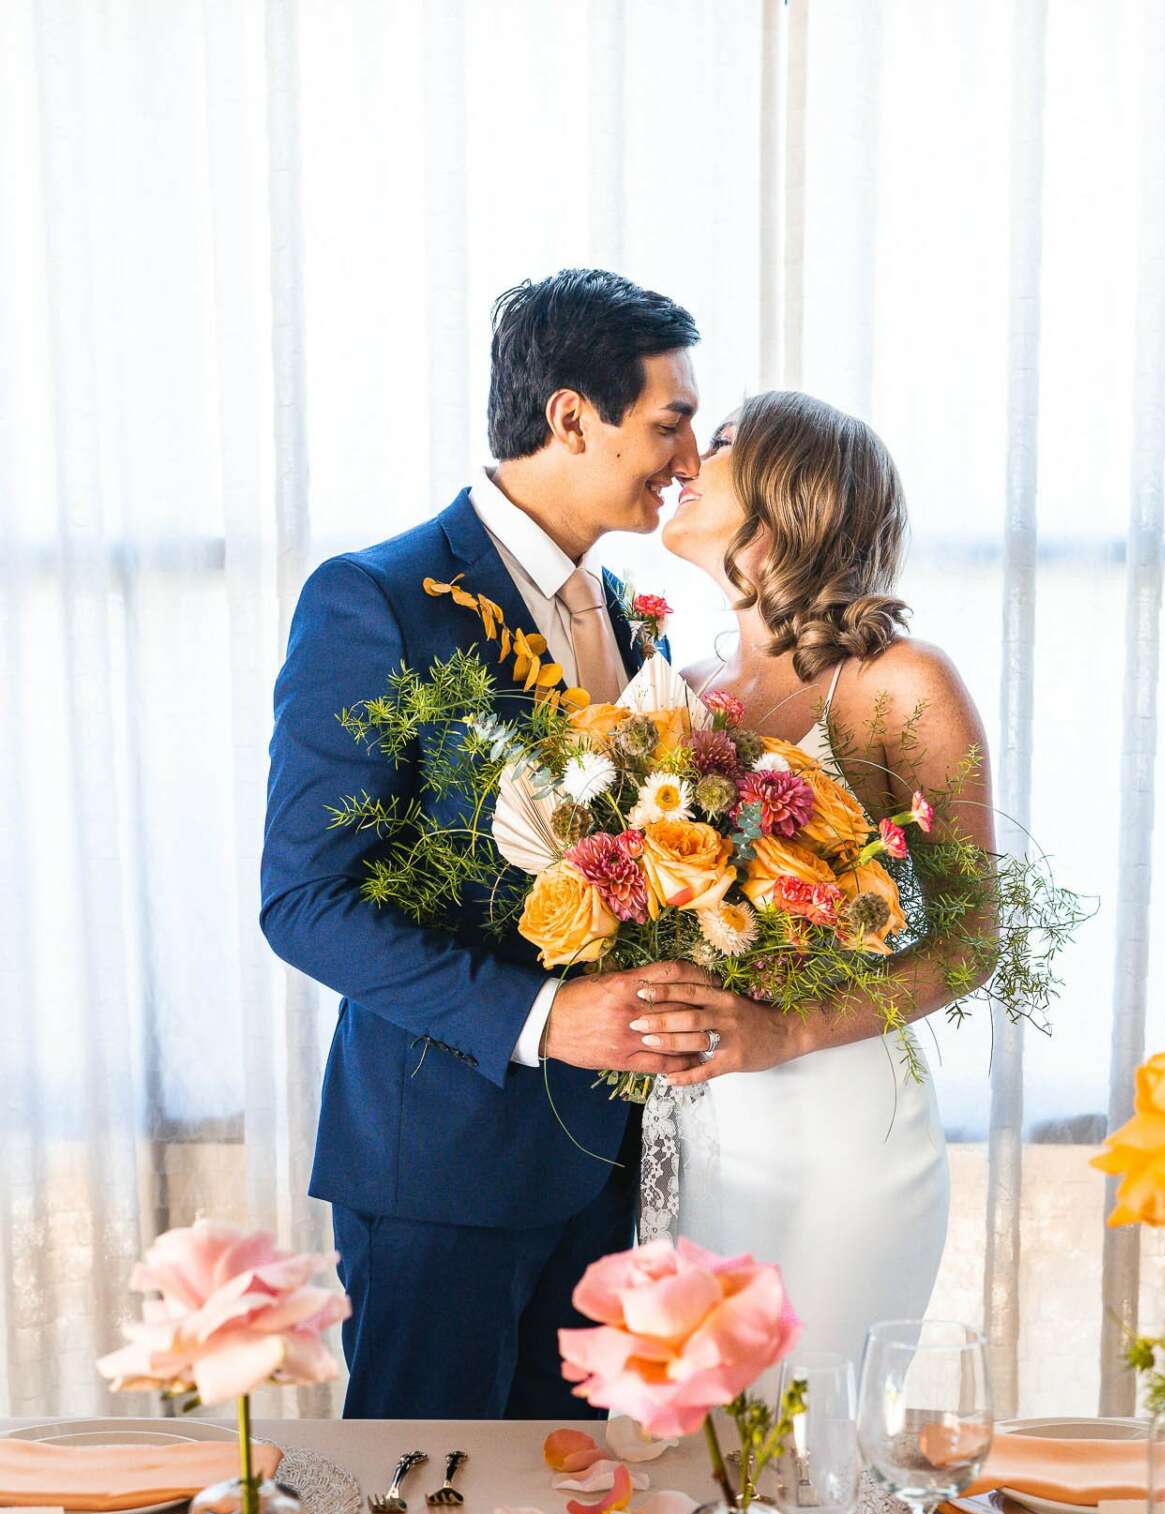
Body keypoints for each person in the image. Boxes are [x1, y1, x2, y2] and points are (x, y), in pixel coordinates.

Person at [260, 268, 707, 1418]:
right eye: (670, 422)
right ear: (572, 416)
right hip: (440, 1173)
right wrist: (546, 1019)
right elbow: (304, 901)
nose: (689, 460)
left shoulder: (626, 613)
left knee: (574, 1509)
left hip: (607, 1169)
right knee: (421, 1503)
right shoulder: (377, 597)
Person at [633, 390, 998, 1363]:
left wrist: (786, 1030)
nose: (684, 462)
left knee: (816, 1419)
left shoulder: (899, 682)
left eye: (718, 444)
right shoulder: (679, 694)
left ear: (789, 491)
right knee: (690, 1417)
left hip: (840, 1127)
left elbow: (972, 942)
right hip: (691, 1123)